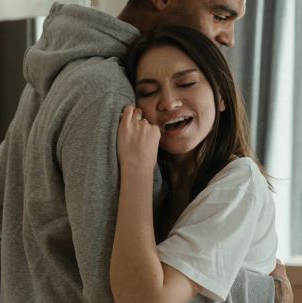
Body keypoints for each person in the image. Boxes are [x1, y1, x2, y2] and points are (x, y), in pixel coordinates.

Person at [0, 1, 292, 302]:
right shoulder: (108, 94)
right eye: (219, 15)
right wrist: (262, 292)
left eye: (186, 82)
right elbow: (122, 294)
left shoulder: (54, 80)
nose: (230, 38)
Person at [111, 26, 278, 303]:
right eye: (149, 91)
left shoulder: (240, 182)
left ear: (221, 95)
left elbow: (143, 299)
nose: (168, 102)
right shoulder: (165, 184)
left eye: (186, 83)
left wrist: (136, 169)